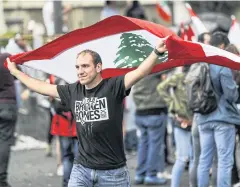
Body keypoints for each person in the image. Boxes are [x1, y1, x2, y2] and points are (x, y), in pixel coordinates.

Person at [6, 38, 168, 186]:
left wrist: (156, 52)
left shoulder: (113, 86)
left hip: (113, 173)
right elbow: (41, 87)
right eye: (77, 67)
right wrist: (15, 72)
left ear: (98, 67)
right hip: (82, 169)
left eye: (85, 66)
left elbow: (140, 72)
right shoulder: (73, 90)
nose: (80, 71)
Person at [197, 32, 240, 187]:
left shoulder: (201, 63)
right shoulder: (221, 65)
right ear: (222, 46)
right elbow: (231, 95)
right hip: (223, 118)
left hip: (202, 118)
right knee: (224, 161)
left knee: (204, 160)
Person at [157, 66, 193, 187]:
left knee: (192, 159)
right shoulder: (179, 77)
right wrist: (173, 105)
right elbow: (161, 88)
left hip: (193, 120)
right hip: (182, 119)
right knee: (183, 158)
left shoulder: (195, 75)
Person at [132, 72, 168, 185]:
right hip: (155, 111)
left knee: (143, 143)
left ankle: (140, 174)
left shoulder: (136, 68)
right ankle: (151, 175)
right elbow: (169, 67)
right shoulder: (153, 68)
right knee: (155, 145)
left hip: (140, 112)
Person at [0, 53, 18, 187]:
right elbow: (18, 73)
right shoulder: (6, 57)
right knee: (5, 141)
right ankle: (1, 178)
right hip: (7, 103)